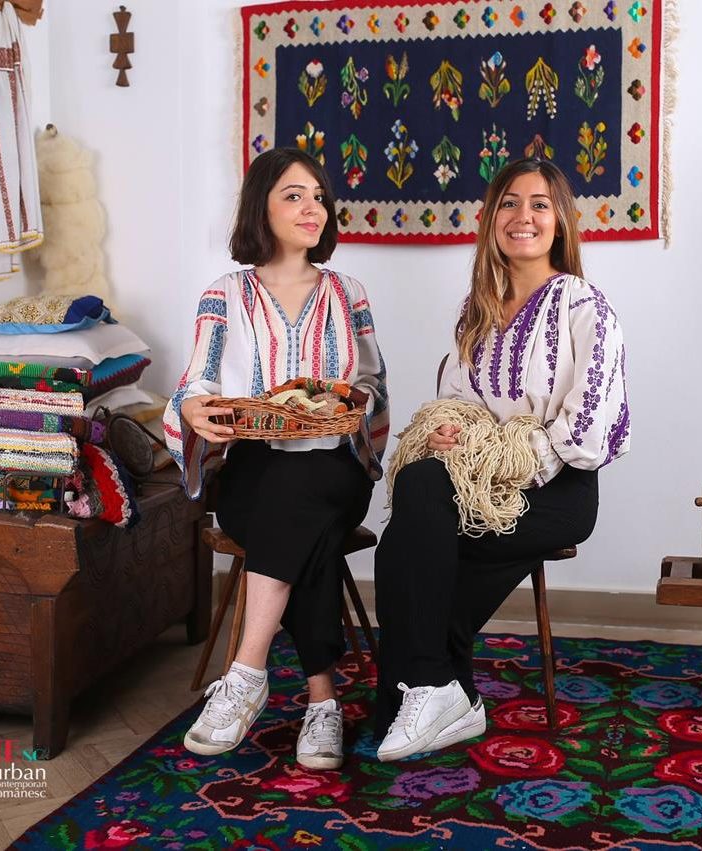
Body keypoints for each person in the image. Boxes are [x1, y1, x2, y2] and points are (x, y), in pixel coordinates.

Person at [373, 157, 629, 761]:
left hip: (556, 492)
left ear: (561, 222)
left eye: (540, 204)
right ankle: (442, 690)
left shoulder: (584, 306)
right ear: (491, 219)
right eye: (509, 203)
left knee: (416, 520)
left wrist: (498, 461)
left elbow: (588, 424)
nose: (523, 217)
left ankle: (424, 684)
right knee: (413, 511)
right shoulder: (478, 310)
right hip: (478, 486)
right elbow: (460, 404)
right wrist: (449, 432)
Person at [162, 148, 389, 768]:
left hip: (336, 467)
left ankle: (245, 673)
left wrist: (351, 401)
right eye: (294, 195)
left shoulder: (348, 293)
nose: (312, 208)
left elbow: (374, 386)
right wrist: (192, 411)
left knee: (302, 486)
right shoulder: (224, 294)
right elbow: (195, 385)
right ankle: (322, 700)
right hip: (251, 472)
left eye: (318, 197)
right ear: (259, 207)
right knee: (297, 509)